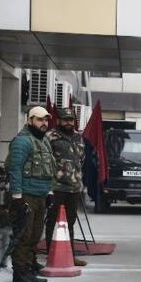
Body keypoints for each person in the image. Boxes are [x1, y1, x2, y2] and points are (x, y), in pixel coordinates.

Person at [6, 106, 56, 282]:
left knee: (35, 235)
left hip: (41, 195)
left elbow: (49, 169)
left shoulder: (44, 141)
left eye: (46, 120)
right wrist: (17, 196)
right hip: (26, 195)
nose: (44, 123)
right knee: (23, 235)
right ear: (30, 121)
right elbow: (15, 169)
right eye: (40, 120)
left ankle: (29, 269)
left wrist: (50, 192)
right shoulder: (22, 141)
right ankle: (19, 274)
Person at [45, 108, 87, 267]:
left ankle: (70, 256)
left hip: (74, 187)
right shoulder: (50, 136)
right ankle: (51, 254)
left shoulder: (78, 137)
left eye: (71, 119)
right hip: (56, 186)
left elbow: (80, 159)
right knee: (53, 221)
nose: (68, 122)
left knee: (70, 221)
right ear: (59, 120)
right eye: (65, 119)